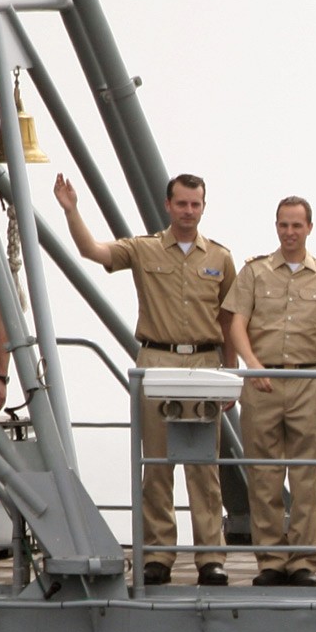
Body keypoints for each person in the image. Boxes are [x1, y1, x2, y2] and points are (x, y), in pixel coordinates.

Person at [55, 172, 233, 586]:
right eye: (182, 203)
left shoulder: (220, 258)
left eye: (196, 204)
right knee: (156, 464)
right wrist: (72, 210)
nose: (189, 211)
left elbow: (230, 318)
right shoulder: (143, 248)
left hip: (206, 362)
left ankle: (211, 557)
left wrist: (231, 372)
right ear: (168, 205)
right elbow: (93, 251)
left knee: (204, 466)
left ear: (203, 207)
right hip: (157, 359)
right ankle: (158, 555)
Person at [224, 197, 316, 587]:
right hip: (263, 383)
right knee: (264, 476)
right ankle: (271, 560)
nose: (289, 232)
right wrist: (253, 366)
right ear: (275, 227)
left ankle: (305, 561)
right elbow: (236, 324)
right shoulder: (255, 272)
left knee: (306, 478)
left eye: (297, 225)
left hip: (309, 384)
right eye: (283, 225)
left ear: (310, 227)